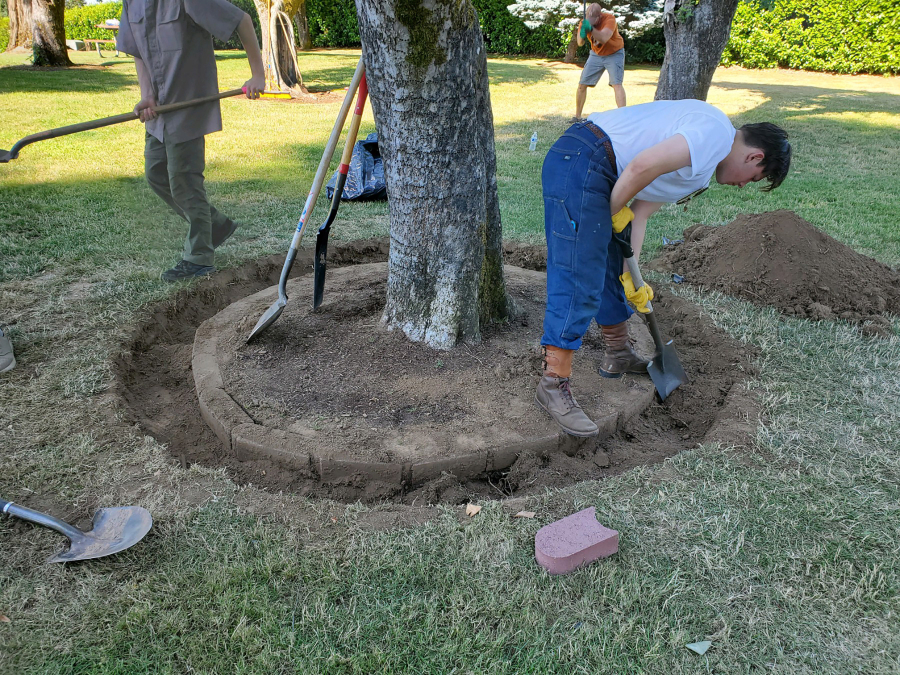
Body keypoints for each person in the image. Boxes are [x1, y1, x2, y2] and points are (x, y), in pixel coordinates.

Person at [536, 99, 791, 436]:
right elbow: (641, 166)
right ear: (754, 157)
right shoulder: (716, 133)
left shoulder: (700, 172)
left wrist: (632, 272)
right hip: (585, 158)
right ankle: (553, 382)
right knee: (579, 276)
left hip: (600, 170)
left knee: (613, 267)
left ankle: (618, 352)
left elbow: (639, 213)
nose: (743, 185)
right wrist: (612, 211)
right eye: (753, 179)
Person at [116, 0, 265, 282]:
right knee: (156, 173)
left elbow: (242, 21)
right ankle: (215, 226)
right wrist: (146, 94)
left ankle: (199, 258)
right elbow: (137, 50)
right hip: (160, 110)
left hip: (188, 105)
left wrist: (258, 74)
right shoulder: (131, 3)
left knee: (184, 181)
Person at [574, 3, 626, 122]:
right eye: (589, 20)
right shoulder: (584, 22)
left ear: (599, 16)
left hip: (614, 53)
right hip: (596, 54)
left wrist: (591, 29)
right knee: (582, 84)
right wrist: (582, 32)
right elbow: (580, 43)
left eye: (593, 21)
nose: (591, 22)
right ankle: (577, 117)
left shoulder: (609, 19)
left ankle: (624, 117)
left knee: (616, 84)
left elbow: (603, 38)